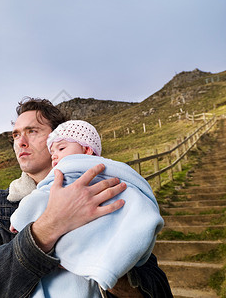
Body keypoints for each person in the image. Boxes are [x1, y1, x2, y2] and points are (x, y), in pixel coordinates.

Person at [0, 98, 173, 298]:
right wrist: (51, 225)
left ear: (59, 136)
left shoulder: (109, 193)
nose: (20, 142)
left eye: (32, 131)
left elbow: (159, 289)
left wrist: (107, 268)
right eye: (15, 135)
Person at [10, 120, 164, 297]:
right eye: (15, 134)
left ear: (87, 150)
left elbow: (41, 197)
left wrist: (19, 218)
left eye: (60, 149)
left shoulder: (68, 172)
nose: (54, 156)